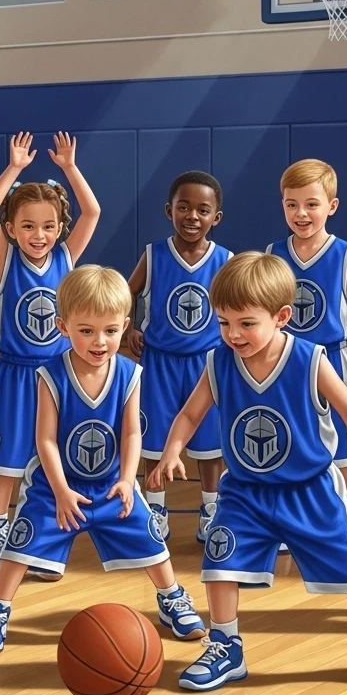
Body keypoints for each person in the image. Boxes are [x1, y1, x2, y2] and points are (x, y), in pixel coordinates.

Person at [149, 252, 347, 691]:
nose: (233, 334)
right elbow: (190, 414)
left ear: (282, 316)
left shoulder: (308, 359)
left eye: (246, 323)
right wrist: (172, 451)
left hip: (310, 488)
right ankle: (225, 646)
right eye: (223, 322)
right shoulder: (218, 363)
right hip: (245, 492)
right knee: (219, 563)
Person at [0, 266, 205, 653]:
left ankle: (172, 597)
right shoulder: (50, 374)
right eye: (86, 331)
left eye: (111, 331)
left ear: (125, 326)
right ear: (63, 327)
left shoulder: (130, 373)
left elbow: (132, 433)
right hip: (55, 486)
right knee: (17, 548)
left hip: (111, 482)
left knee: (152, 540)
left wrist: (129, 480)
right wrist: (61, 491)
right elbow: (44, 440)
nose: (99, 341)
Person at [0, 132, 101, 578]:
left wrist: (69, 167)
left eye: (48, 226)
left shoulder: (68, 257)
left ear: (59, 229)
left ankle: (43, 539)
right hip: (14, 374)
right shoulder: (5, 259)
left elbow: (93, 211)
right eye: (28, 226)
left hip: (56, 376)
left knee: (53, 462)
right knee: (6, 459)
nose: (39, 234)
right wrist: (14, 168)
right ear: (12, 229)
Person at [267, 159, 347, 555]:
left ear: (331, 206)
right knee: (289, 436)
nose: (301, 213)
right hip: (285, 360)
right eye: (291, 204)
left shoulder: (343, 253)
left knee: (342, 443)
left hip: (331, 355)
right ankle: (288, 520)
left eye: (311, 204)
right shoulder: (274, 253)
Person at [124, 171, 231, 544]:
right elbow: (125, 293)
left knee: (210, 444)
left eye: (203, 210)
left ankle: (211, 508)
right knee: (154, 440)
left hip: (207, 363)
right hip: (159, 362)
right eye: (183, 208)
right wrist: (128, 328)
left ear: (216, 217)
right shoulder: (154, 254)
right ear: (169, 210)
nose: (192, 216)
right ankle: (155, 508)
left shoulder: (224, 260)